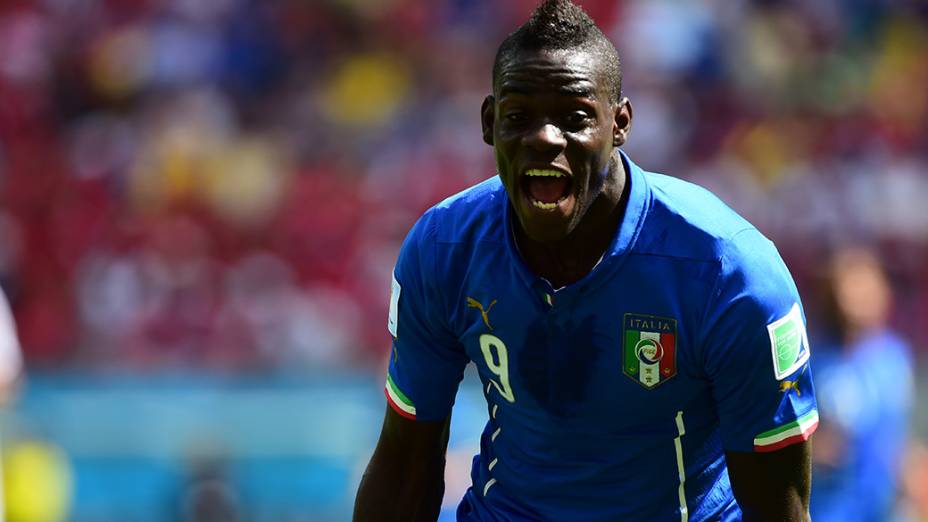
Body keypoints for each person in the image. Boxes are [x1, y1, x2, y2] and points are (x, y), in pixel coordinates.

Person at [354, 1, 817, 520]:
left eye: (574, 117)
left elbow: (779, 505)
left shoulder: (729, 274)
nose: (544, 138)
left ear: (619, 123)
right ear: (489, 123)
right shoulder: (443, 249)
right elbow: (404, 462)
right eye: (519, 116)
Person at [810, 248, 913, 522]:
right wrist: (815, 450)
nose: (859, 298)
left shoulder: (894, 358)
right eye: (850, 287)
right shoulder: (815, 360)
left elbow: (898, 437)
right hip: (830, 508)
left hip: (882, 508)